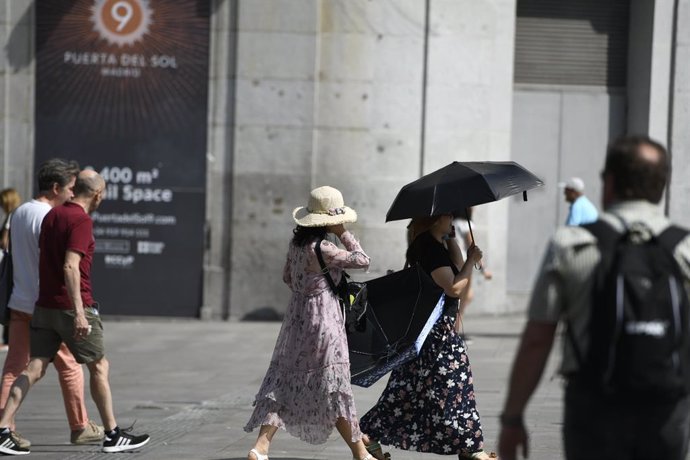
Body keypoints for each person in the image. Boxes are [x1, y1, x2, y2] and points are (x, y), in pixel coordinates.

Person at [498, 135, 690, 460]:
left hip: (593, 409)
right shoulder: (684, 249)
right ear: (663, 184)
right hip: (667, 411)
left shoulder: (570, 245)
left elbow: (537, 339)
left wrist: (513, 418)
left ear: (609, 182)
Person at [0, 169, 150, 455]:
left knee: (34, 367)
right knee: (99, 366)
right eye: (103, 193)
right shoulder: (80, 220)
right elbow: (70, 266)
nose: (102, 198)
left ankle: (3, 428)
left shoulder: (53, 215)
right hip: (71, 306)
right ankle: (112, 434)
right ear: (96, 194)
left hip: (44, 305)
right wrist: (80, 313)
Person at [244, 186, 373, 460]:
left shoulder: (297, 245)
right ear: (329, 220)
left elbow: (287, 278)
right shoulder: (325, 248)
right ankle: (361, 453)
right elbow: (363, 261)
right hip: (325, 324)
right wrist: (343, 234)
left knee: (284, 382)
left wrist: (308, 290)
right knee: (335, 387)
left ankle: (261, 447)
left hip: (296, 321)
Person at [360, 214, 497, 460]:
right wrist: (472, 260)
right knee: (455, 383)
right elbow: (454, 287)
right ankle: (471, 447)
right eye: (447, 215)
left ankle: (369, 435)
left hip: (429, 331)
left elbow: (455, 267)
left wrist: (454, 241)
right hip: (436, 334)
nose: (452, 218)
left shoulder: (434, 245)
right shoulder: (430, 249)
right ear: (435, 219)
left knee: (408, 389)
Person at [0, 160, 104, 449]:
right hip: (46, 303)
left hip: (19, 300)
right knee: (70, 366)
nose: (74, 194)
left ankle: (4, 428)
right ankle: (80, 426)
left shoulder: (19, 212)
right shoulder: (52, 215)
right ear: (56, 188)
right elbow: (62, 263)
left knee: (14, 368)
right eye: (71, 188)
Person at [453, 208, 493, 325]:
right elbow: (472, 247)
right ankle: (455, 332)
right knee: (462, 301)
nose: (474, 208)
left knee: (467, 296)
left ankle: (454, 331)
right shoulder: (466, 224)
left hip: (454, 262)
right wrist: (483, 270)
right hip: (465, 264)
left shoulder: (452, 222)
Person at [0, 188, 22, 352]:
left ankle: (7, 340)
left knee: (5, 297)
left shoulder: (11, 216)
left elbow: (4, 242)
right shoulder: (19, 214)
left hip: (5, 263)